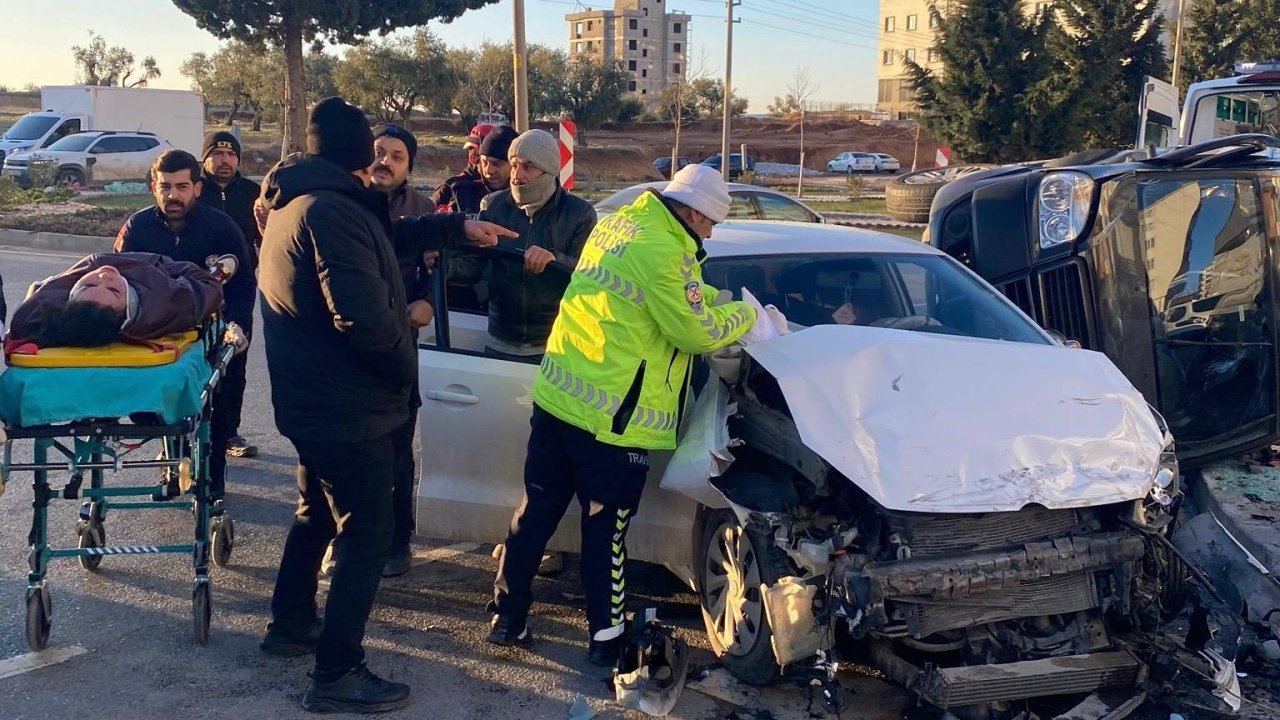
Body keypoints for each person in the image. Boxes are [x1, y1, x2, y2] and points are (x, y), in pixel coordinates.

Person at [255, 96, 514, 714]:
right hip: (349, 409)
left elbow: (383, 235)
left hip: (314, 402)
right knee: (366, 533)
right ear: (354, 155)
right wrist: (407, 369)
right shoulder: (329, 212)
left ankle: (290, 627)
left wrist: (453, 226)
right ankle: (337, 672)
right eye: (372, 148)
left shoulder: (302, 202)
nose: (379, 159)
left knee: (314, 513)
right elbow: (366, 323)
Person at [487, 164, 757, 666]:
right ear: (695, 213)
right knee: (606, 534)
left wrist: (711, 302)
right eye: (711, 224)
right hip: (611, 421)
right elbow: (695, 334)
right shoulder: (666, 251)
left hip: (559, 400)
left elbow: (671, 301)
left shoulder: (619, 222)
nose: (712, 233)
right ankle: (607, 640)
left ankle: (508, 616)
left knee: (536, 511)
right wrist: (747, 315)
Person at [114, 150, 255, 509]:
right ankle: (172, 463)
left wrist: (236, 326)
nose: (172, 195)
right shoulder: (137, 228)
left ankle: (213, 483)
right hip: (153, 334)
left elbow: (242, 283)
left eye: (181, 186)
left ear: (197, 188)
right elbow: (117, 282)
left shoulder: (222, 228)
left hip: (212, 332)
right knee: (152, 406)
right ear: (153, 187)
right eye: (165, 187)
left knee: (215, 411)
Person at [451, 129, 596, 361]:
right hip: (499, 341)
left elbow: (590, 275)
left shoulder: (579, 214)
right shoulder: (493, 206)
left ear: (548, 171)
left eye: (528, 167)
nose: (517, 175)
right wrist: (444, 263)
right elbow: (473, 265)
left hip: (556, 346)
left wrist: (554, 259)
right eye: (514, 164)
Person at [6, 252, 224, 349]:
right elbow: (209, 287)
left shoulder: (46, 305)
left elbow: (23, 319)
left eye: (87, 285)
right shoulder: (170, 303)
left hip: (98, 269)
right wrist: (165, 267)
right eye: (113, 290)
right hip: (158, 272)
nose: (104, 275)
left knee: (93, 265)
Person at [197, 130, 261, 458]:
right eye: (218, 154)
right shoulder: (193, 191)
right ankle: (195, 430)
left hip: (238, 292)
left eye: (232, 155)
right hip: (197, 294)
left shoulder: (253, 193)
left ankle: (230, 433)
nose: (225, 161)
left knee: (235, 361)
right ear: (205, 158)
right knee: (197, 362)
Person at [430, 123, 492, 215]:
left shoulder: (508, 187)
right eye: (488, 161)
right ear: (473, 158)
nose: (493, 169)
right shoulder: (451, 187)